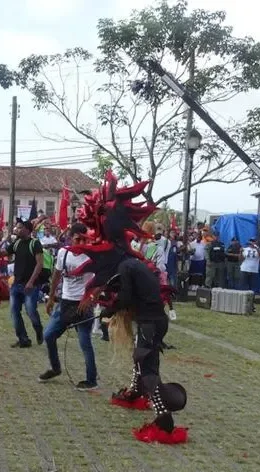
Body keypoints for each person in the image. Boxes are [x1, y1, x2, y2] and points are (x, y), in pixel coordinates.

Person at [72, 171, 187, 444]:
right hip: (153, 319)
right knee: (140, 358)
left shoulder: (126, 265)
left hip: (150, 321)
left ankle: (164, 418)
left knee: (148, 368)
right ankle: (134, 392)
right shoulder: (131, 263)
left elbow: (125, 296)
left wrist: (109, 309)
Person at [38, 224, 98, 390]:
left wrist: (91, 299)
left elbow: (100, 281)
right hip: (65, 303)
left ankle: (91, 380)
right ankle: (55, 368)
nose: (80, 242)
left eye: (84, 239)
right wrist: (51, 298)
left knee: (85, 343)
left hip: (83, 304)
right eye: (77, 239)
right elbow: (57, 275)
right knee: (49, 335)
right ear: (71, 238)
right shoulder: (63, 253)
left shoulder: (91, 255)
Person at [7, 219, 45, 347]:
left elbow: (40, 264)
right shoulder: (16, 243)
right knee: (14, 312)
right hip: (16, 284)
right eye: (16, 227)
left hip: (31, 286)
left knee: (31, 311)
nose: (17, 229)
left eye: (19, 227)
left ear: (27, 230)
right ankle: (23, 339)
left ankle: (39, 330)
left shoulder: (35, 243)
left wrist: (31, 282)